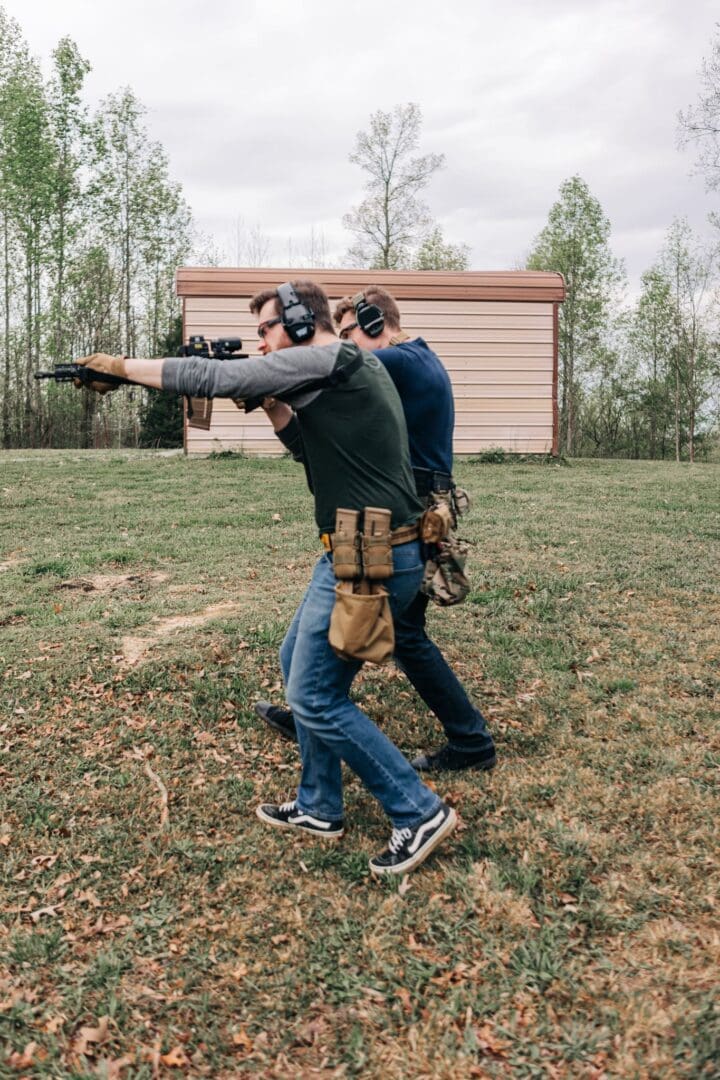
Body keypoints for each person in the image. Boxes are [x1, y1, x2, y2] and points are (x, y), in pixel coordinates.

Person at [73, 280, 456, 876]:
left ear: (304, 323)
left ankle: (417, 809)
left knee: (314, 695)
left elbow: (217, 379)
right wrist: (274, 402)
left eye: (268, 329)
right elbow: (308, 448)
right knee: (292, 664)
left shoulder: (331, 355)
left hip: (372, 551)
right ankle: (319, 805)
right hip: (355, 547)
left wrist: (121, 368)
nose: (262, 342)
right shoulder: (340, 369)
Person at [256, 286, 496, 774]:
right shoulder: (416, 358)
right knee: (400, 630)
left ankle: (469, 741)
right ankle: (314, 712)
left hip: (410, 513)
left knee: (405, 633)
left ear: (372, 323)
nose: (341, 345)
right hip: (412, 505)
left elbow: (326, 370)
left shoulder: (398, 361)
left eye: (345, 334)